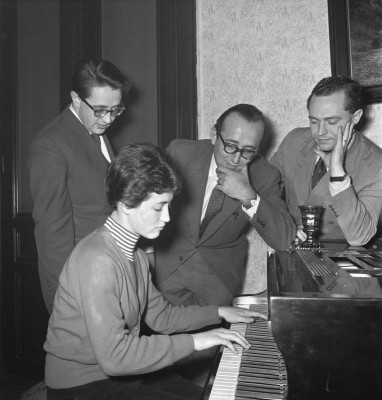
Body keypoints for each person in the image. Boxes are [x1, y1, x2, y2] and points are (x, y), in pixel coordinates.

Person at [43, 143, 264, 400]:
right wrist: (196, 341)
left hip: (114, 376)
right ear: (126, 203)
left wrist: (218, 312)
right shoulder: (96, 261)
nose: (167, 217)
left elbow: (162, 317)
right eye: (160, 207)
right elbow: (115, 357)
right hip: (79, 386)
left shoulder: (135, 256)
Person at [153, 103, 296, 307]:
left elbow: (283, 239)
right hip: (165, 269)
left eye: (248, 151)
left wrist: (248, 196)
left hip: (218, 279)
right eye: (230, 145)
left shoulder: (265, 176)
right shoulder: (180, 153)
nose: (236, 159)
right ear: (214, 135)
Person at [29, 58, 131, 314]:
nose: (108, 119)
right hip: (78, 282)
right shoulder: (51, 144)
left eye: (116, 110)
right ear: (75, 99)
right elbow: (52, 233)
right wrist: (67, 295)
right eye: (99, 109)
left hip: (107, 269)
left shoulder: (96, 132)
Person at [270, 76, 382, 246]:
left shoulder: (376, 166)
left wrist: (337, 173)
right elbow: (266, 189)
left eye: (331, 121)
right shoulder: (294, 141)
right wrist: (285, 225)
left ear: (356, 117)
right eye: (314, 121)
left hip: (339, 266)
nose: (320, 132)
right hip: (289, 258)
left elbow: (360, 236)